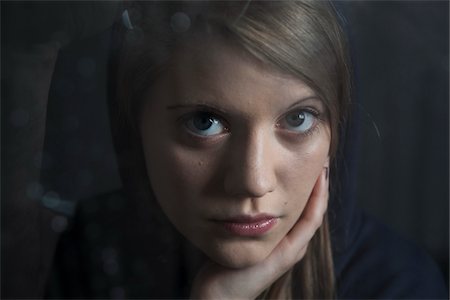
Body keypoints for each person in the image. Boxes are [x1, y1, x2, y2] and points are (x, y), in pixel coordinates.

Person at [4, 1, 448, 299]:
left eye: (298, 119)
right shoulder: (94, 253)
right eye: (205, 122)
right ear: (135, 127)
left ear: (337, 131)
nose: (253, 179)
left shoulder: (399, 286)